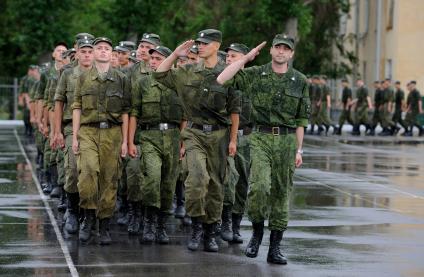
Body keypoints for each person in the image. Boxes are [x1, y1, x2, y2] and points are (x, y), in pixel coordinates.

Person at [217, 34, 310, 265]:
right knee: (258, 188)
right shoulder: (256, 74)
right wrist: (246, 59)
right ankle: (257, 233)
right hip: (260, 137)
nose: (280, 51)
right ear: (271, 51)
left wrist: (299, 150)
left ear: (291, 54)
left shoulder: (300, 80)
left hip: (287, 141)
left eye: (285, 49)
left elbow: (301, 121)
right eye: (277, 47)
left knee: (281, 193)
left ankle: (275, 246)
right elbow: (222, 78)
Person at [153, 29, 241, 252]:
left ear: (217, 46)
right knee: (197, 179)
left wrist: (233, 140)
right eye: (199, 43)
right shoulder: (188, 71)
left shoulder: (227, 73)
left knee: (215, 184)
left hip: (220, 135)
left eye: (205, 43)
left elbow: (234, 111)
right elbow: (159, 74)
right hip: (193, 133)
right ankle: (196, 227)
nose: (200, 46)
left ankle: (211, 231)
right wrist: (174, 54)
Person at [72, 37, 131, 245]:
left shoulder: (121, 79)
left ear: (112, 53)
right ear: (94, 53)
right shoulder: (82, 77)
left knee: (109, 179)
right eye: (99, 48)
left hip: (113, 134)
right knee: (87, 173)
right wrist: (75, 136)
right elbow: (77, 106)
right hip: (88, 132)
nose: (103, 51)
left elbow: (126, 112)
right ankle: (87, 217)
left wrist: (125, 141)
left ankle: (104, 224)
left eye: (107, 49)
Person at [128, 45, 185, 244]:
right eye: (151, 59)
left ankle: (161, 224)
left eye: (158, 58)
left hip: (173, 136)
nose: (153, 61)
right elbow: (134, 113)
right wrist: (130, 141)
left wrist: (183, 142)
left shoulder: (178, 83)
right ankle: (149, 222)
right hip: (149, 136)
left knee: (168, 184)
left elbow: (185, 116)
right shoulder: (142, 84)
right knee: (152, 178)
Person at [53, 38, 95, 234]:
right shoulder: (68, 73)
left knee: (92, 172)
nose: (86, 55)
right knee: (72, 169)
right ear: (76, 53)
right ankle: (72, 210)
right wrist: (56, 131)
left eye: (90, 51)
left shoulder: (101, 73)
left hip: (96, 128)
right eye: (83, 51)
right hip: (72, 128)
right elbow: (59, 102)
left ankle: (88, 213)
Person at [221, 42, 250, 243]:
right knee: (227, 178)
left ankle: (236, 223)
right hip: (224, 136)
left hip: (246, 137)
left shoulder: (253, 81)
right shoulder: (222, 80)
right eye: (228, 56)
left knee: (242, 182)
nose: (229, 59)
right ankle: (223, 222)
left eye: (234, 56)